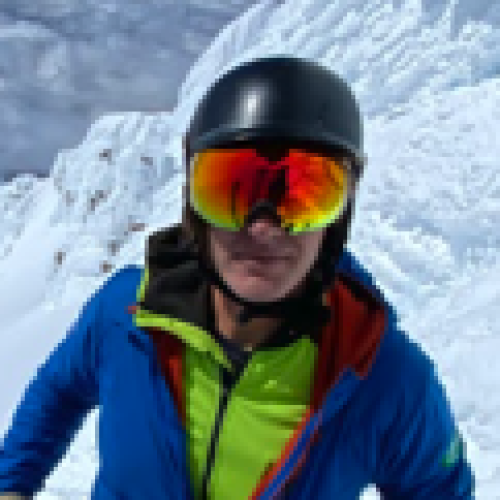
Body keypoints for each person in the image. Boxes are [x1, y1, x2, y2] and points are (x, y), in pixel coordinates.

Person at [0, 55, 475, 499]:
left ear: (337, 221)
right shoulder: (124, 313)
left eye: (303, 197)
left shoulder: (383, 376)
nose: (263, 228)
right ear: (194, 210)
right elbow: (58, 391)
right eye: (230, 190)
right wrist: (12, 483)